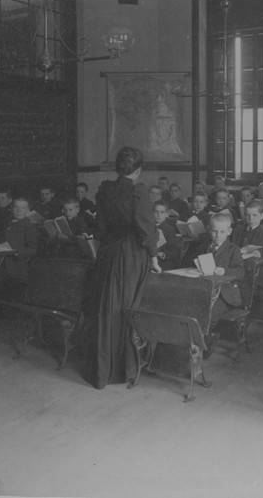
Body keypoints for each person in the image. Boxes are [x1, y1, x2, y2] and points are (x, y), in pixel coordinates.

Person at [87, 146, 160, 389]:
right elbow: (147, 229)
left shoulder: (105, 189)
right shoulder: (138, 191)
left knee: (107, 307)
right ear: (138, 170)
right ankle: (125, 367)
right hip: (130, 255)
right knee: (126, 308)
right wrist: (154, 257)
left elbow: (99, 229)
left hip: (108, 253)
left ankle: (102, 370)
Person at [0, 197, 39, 308]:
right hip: (1, 263)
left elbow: (32, 249)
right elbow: (0, 241)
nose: (19, 211)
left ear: (28, 210)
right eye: (16, 208)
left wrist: (17, 252)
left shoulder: (29, 226)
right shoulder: (7, 224)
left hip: (17, 265)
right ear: (11, 209)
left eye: (23, 208)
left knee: (5, 288)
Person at [201, 213, 246, 323]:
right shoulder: (203, 247)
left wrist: (224, 271)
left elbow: (240, 272)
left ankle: (206, 338)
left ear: (229, 232)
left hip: (225, 294)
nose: (217, 235)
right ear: (208, 229)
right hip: (204, 289)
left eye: (222, 232)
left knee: (208, 314)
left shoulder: (233, 249)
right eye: (214, 231)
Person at [153, 200, 179, 270]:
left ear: (167, 214)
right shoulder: (148, 227)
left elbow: (174, 250)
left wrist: (163, 254)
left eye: (162, 212)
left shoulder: (169, 230)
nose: (159, 215)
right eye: (156, 212)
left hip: (162, 262)